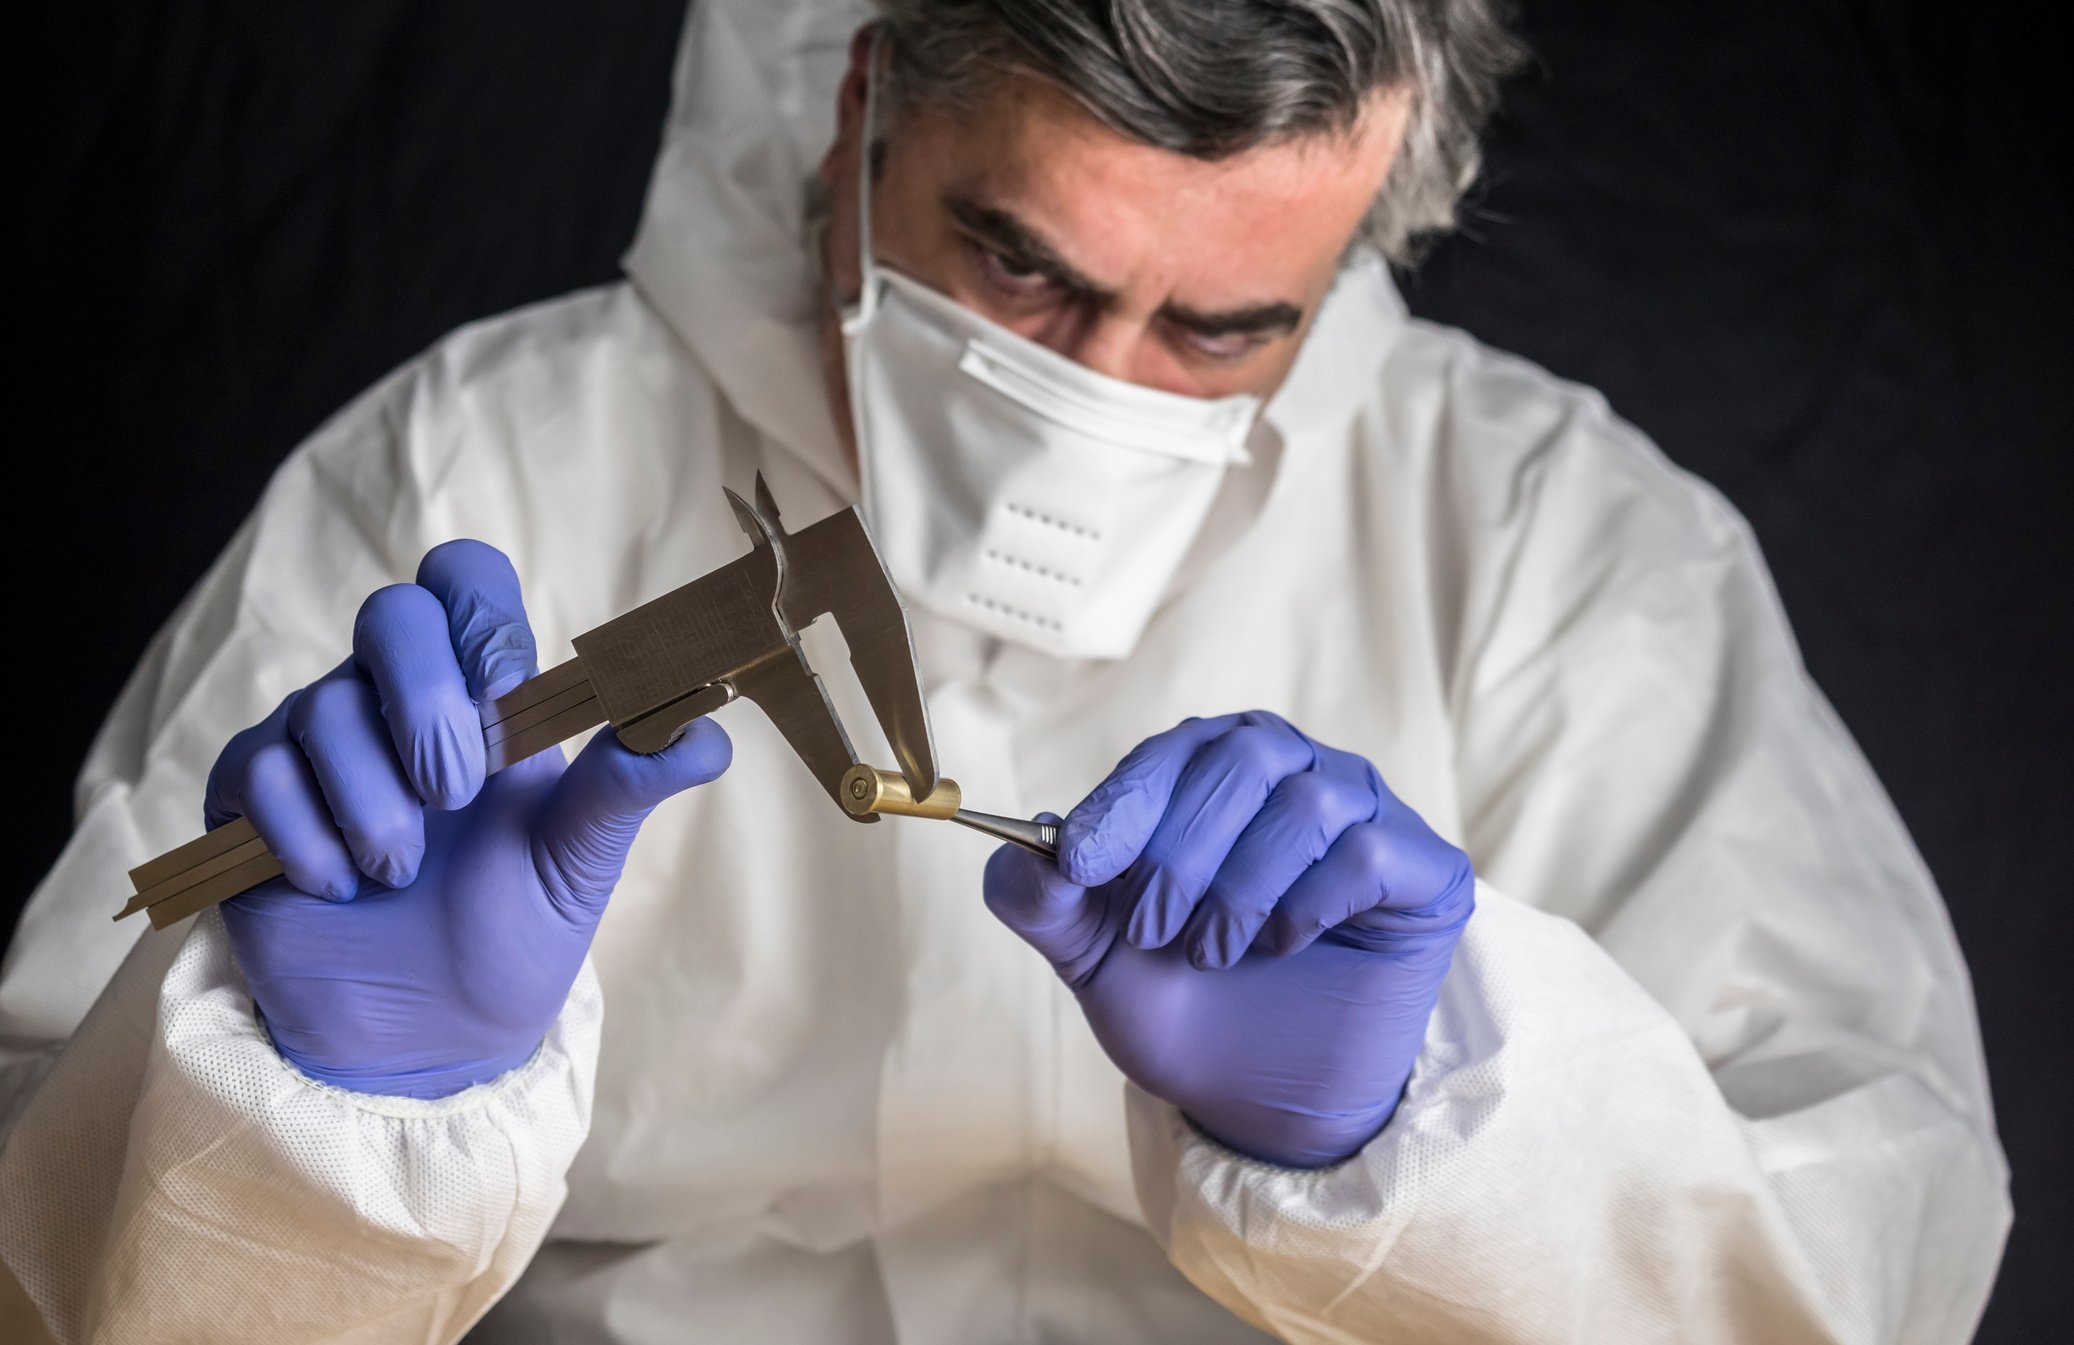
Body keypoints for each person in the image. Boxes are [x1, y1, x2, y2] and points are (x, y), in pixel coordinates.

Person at [0, 0, 2011, 1340]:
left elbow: (1855, 1274)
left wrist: (1423, 1130)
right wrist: (329, 1102)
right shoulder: (474, 467)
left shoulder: (1562, 552)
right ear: (865, 92)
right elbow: (57, 1284)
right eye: (1019, 263)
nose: (1089, 396)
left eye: (1220, 327)